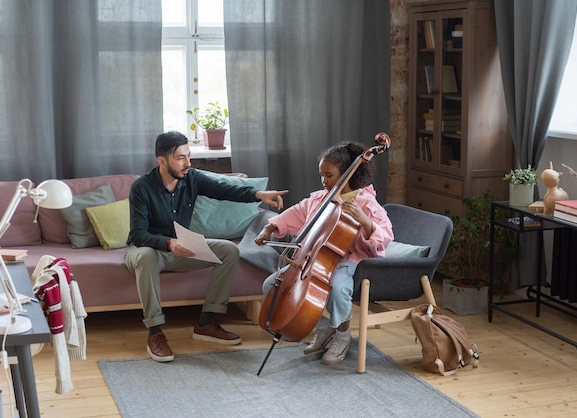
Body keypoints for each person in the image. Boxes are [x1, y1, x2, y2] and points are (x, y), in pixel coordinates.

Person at [125, 131, 288, 362]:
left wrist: (257, 194)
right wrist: (169, 243)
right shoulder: (142, 187)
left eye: (189, 156)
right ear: (161, 161)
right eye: (181, 157)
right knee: (147, 258)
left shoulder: (191, 178)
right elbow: (138, 234)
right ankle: (155, 333)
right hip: (147, 249)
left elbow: (224, 189)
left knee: (229, 250)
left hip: (180, 249)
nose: (188, 163)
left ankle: (206, 322)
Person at [254, 142, 393, 365]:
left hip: (348, 261)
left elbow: (385, 236)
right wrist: (269, 229)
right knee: (272, 285)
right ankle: (327, 328)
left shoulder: (365, 203)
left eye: (329, 175)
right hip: (311, 261)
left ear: (348, 172)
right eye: (321, 175)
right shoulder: (320, 199)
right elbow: (292, 214)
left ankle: (343, 336)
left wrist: (364, 221)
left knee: (337, 288)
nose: (324, 181)